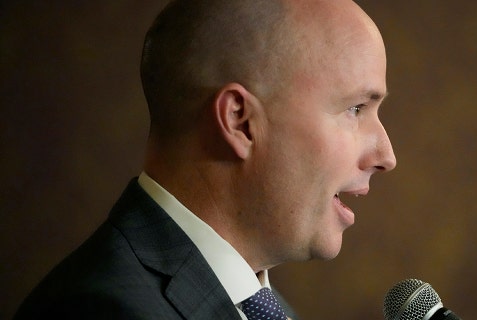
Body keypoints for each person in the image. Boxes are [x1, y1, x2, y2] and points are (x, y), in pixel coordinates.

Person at [14, 0, 396, 318]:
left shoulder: (268, 309)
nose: (386, 156)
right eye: (356, 108)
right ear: (239, 121)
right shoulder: (102, 310)